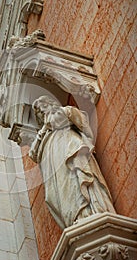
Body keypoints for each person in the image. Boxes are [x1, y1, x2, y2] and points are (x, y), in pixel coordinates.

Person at [29, 96, 115, 230]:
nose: (43, 112)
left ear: (51, 104)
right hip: (55, 166)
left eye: (43, 107)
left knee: (78, 179)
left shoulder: (65, 112)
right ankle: (75, 218)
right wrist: (44, 129)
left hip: (71, 151)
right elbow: (32, 153)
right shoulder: (44, 134)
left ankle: (90, 211)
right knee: (63, 191)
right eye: (39, 111)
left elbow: (81, 125)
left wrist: (88, 143)